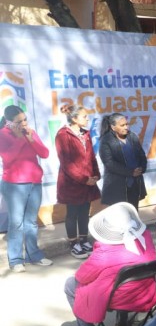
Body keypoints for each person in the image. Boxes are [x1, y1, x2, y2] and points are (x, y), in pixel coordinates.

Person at [64, 202, 156, 326]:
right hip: (144, 291)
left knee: (70, 284)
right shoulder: (145, 237)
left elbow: (82, 276)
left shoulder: (105, 250)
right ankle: (121, 324)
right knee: (124, 280)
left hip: (119, 297)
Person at [0, 105, 52, 271]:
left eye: (25, 120)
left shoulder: (30, 132)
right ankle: (16, 260)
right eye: (19, 121)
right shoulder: (3, 135)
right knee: (16, 223)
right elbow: (8, 158)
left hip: (34, 183)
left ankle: (34, 255)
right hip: (14, 185)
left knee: (31, 222)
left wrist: (31, 139)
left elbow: (44, 153)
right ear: (9, 122)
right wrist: (20, 139)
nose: (23, 124)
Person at [54, 104, 101, 259]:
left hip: (88, 181)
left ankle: (84, 240)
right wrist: (83, 179)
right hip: (71, 183)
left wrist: (95, 175)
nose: (87, 119)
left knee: (84, 212)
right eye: (84, 116)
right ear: (74, 119)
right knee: (72, 213)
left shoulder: (85, 133)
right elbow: (66, 163)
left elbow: (92, 157)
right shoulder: (63, 135)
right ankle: (73, 243)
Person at [98, 113, 147, 210]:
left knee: (133, 212)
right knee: (120, 215)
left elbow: (141, 155)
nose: (126, 127)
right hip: (117, 186)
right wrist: (130, 172)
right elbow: (109, 163)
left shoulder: (132, 136)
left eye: (126, 124)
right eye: (122, 125)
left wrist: (141, 168)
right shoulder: (106, 140)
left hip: (134, 184)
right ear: (113, 127)